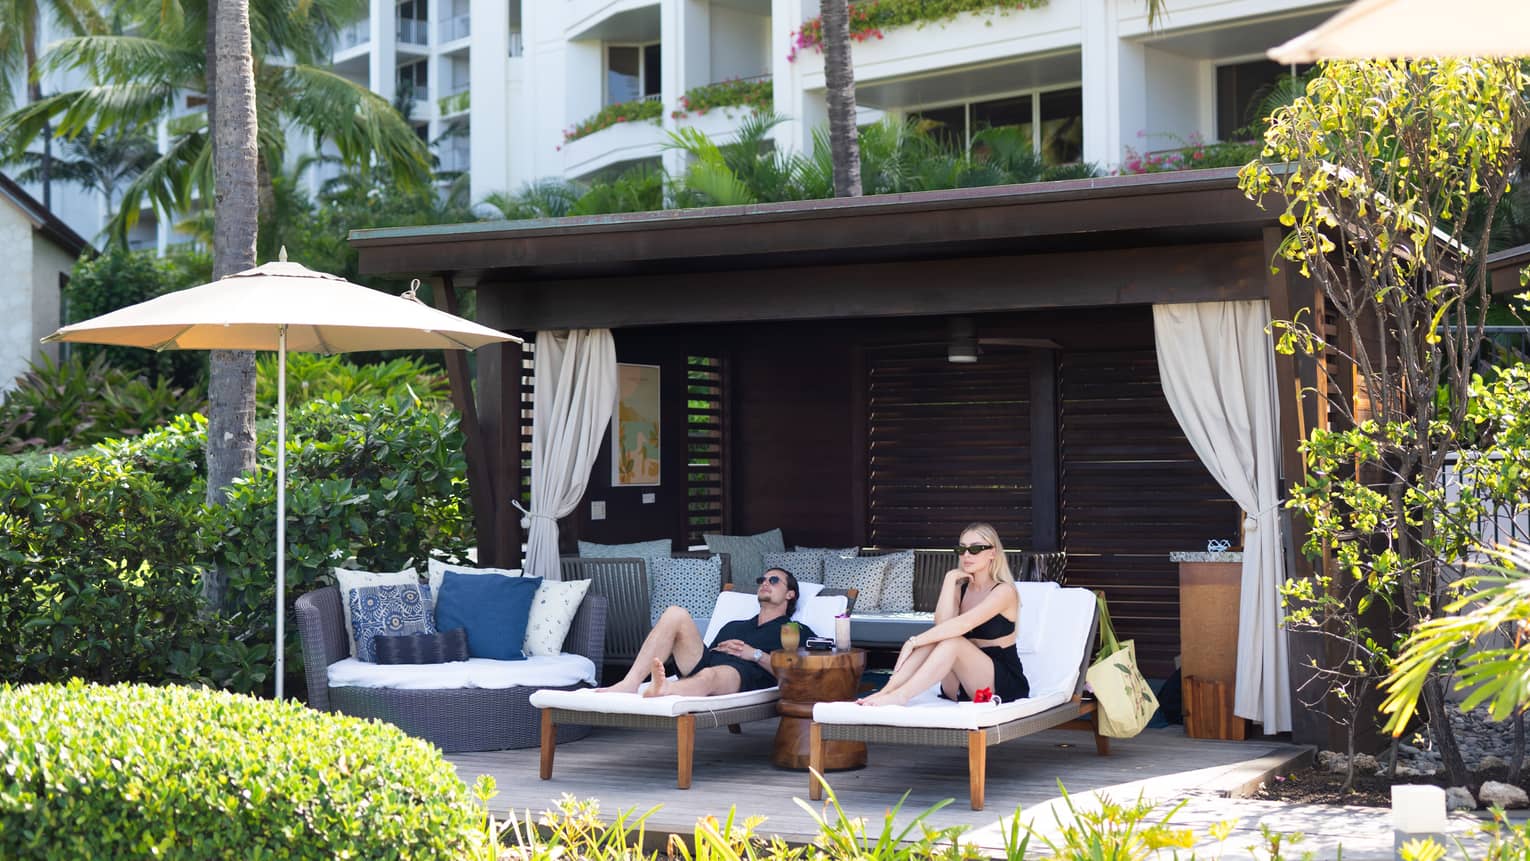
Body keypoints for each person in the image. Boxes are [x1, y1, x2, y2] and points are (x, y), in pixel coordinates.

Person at [859, 523, 1029, 706]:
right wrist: (949, 580)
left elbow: (964, 624)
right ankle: (886, 691)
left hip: (1000, 682)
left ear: (992, 553)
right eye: (961, 549)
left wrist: (914, 641)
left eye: (975, 548)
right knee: (941, 637)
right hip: (959, 684)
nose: (967, 555)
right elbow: (942, 626)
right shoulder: (959, 589)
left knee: (953, 641)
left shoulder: (1004, 591)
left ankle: (902, 695)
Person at [595, 567, 802, 697]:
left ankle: (667, 689)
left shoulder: (792, 630)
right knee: (675, 613)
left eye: (773, 580)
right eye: (762, 580)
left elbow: (796, 675)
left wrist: (754, 654)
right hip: (708, 663)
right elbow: (708, 654)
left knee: (709, 675)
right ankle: (630, 682)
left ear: (790, 594)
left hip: (742, 674)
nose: (765, 583)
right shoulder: (734, 625)